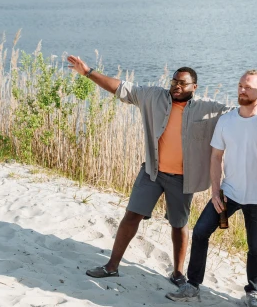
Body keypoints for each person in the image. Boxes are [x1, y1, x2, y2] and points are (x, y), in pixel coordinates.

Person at [66, 55, 231, 286]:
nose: (177, 86)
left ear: (194, 87)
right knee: (131, 215)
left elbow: (238, 115)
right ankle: (111, 266)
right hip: (152, 172)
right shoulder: (154, 97)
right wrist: (88, 72)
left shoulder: (208, 109)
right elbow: (121, 88)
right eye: (174, 81)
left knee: (179, 224)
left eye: (183, 83)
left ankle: (177, 273)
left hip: (182, 179)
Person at [166, 70, 257, 307]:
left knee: (255, 247)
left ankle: (252, 292)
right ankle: (192, 286)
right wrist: (216, 192)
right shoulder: (226, 120)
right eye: (239, 85)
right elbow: (216, 156)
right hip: (229, 191)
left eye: (248, 87)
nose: (242, 90)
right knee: (201, 232)